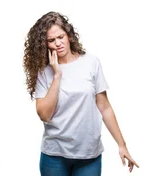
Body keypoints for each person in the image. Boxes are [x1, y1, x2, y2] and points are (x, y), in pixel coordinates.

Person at [23, 11, 138, 176]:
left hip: (88, 154)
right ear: (45, 44)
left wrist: (122, 145)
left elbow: (104, 107)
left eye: (61, 37)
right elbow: (44, 115)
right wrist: (57, 75)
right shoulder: (44, 71)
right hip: (54, 156)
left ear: (69, 36)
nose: (58, 43)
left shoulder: (91, 63)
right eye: (51, 40)